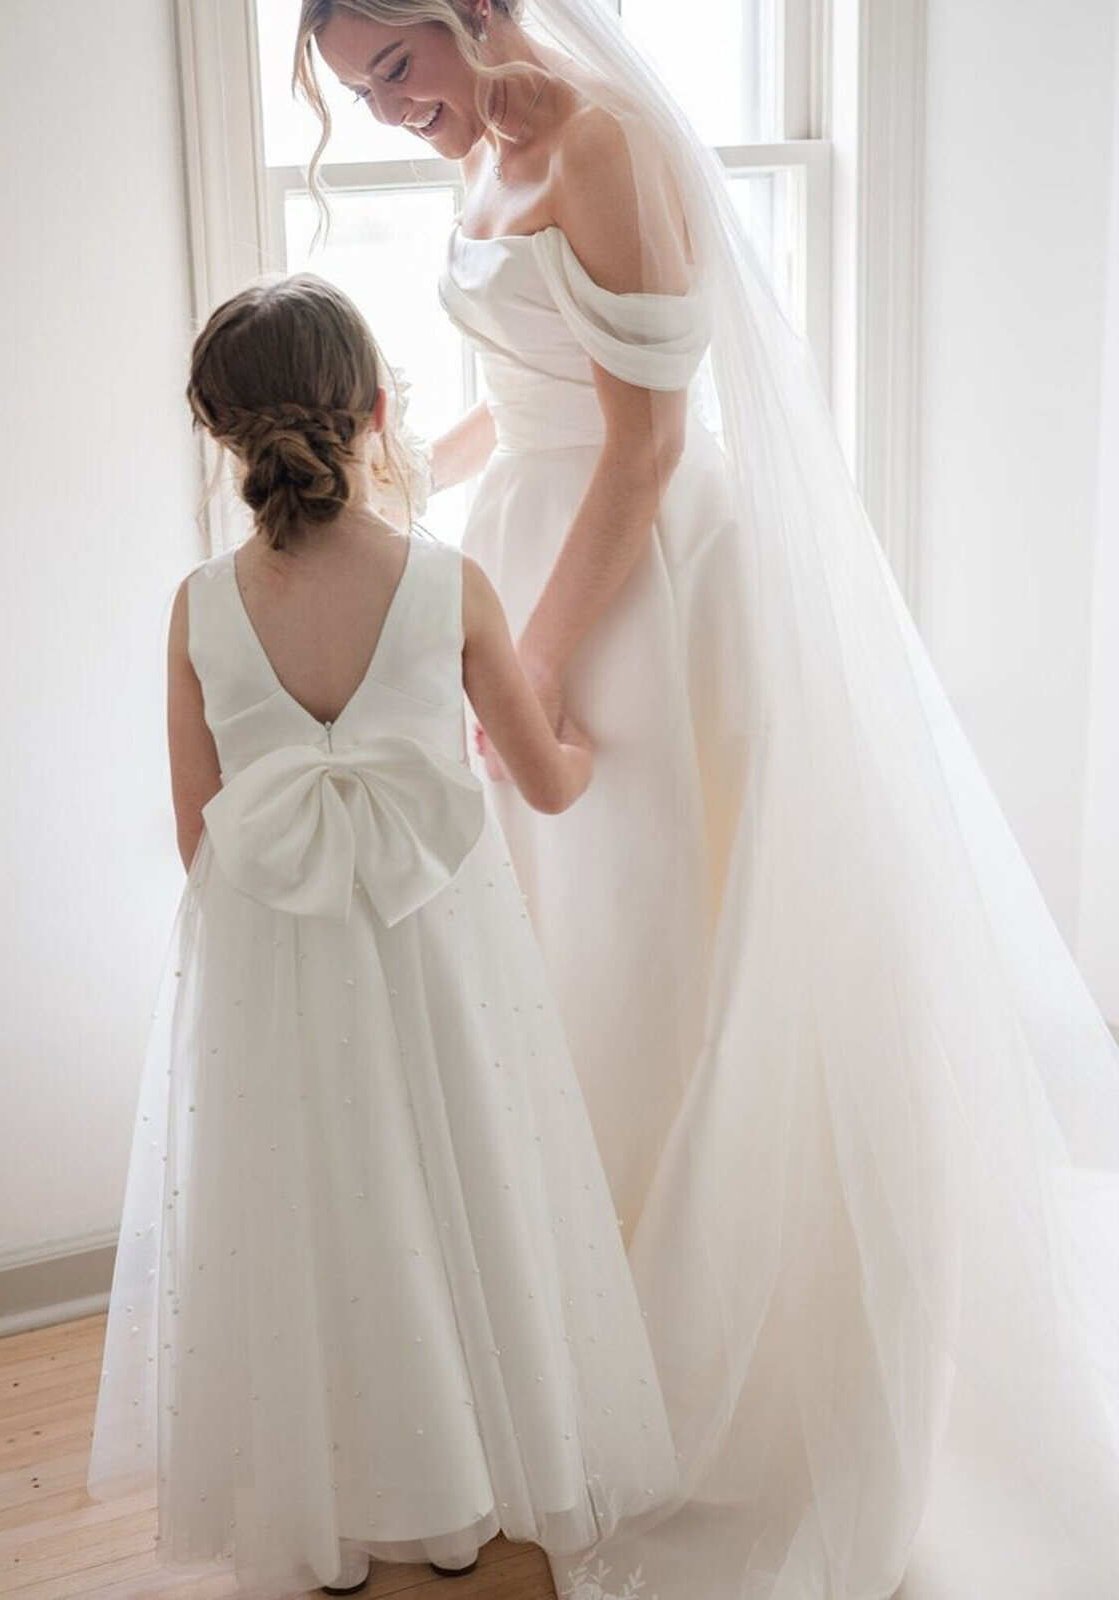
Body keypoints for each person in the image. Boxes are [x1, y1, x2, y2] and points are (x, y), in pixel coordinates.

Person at [296, 3, 1119, 1598]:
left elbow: (646, 442)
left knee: (659, 957)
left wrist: (526, 669)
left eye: (399, 64)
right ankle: (566, 1354)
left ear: (470, 9)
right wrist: (400, 491)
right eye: (357, 88)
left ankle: (694, 1378)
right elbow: (532, 386)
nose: (392, 107)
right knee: (560, 967)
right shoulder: (493, 139)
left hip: (642, 594)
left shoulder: (597, 138)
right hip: (535, 542)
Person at [84, 272, 682, 1599]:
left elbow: (201, 835)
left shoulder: (196, 609)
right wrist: (583, 748)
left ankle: (337, 1505)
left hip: (280, 968)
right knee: (460, 1182)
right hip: (439, 954)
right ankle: (470, 1489)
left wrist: (306, 868)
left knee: (322, 1208)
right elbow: (541, 781)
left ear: (219, 432)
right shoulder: (449, 585)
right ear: (372, 409)